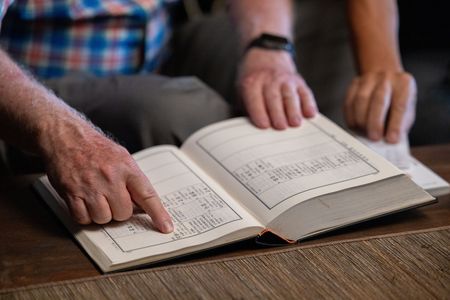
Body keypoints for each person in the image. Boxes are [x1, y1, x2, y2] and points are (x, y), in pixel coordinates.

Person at [0, 0, 415, 230]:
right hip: (42, 87)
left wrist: (269, 47)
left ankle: (349, 179)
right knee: (182, 107)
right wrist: (61, 132)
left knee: (327, 25)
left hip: (165, 50)